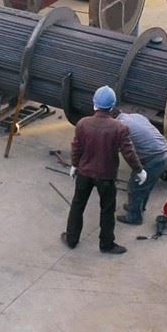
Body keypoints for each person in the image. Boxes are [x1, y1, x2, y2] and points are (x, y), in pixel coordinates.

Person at [62, 86, 146, 255]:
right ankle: (106, 244)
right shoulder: (119, 128)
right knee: (107, 210)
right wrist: (139, 170)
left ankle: (71, 239)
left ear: (94, 104)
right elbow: (128, 152)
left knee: (77, 205)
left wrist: (74, 165)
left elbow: (76, 147)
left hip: (84, 173)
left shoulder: (83, 123)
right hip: (106, 176)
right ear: (112, 106)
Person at [113, 110, 167, 225]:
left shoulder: (119, 126)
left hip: (156, 158)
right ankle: (137, 207)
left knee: (135, 186)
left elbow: (127, 153)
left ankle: (134, 217)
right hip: (165, 152)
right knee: (146, 185)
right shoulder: (136, 116)